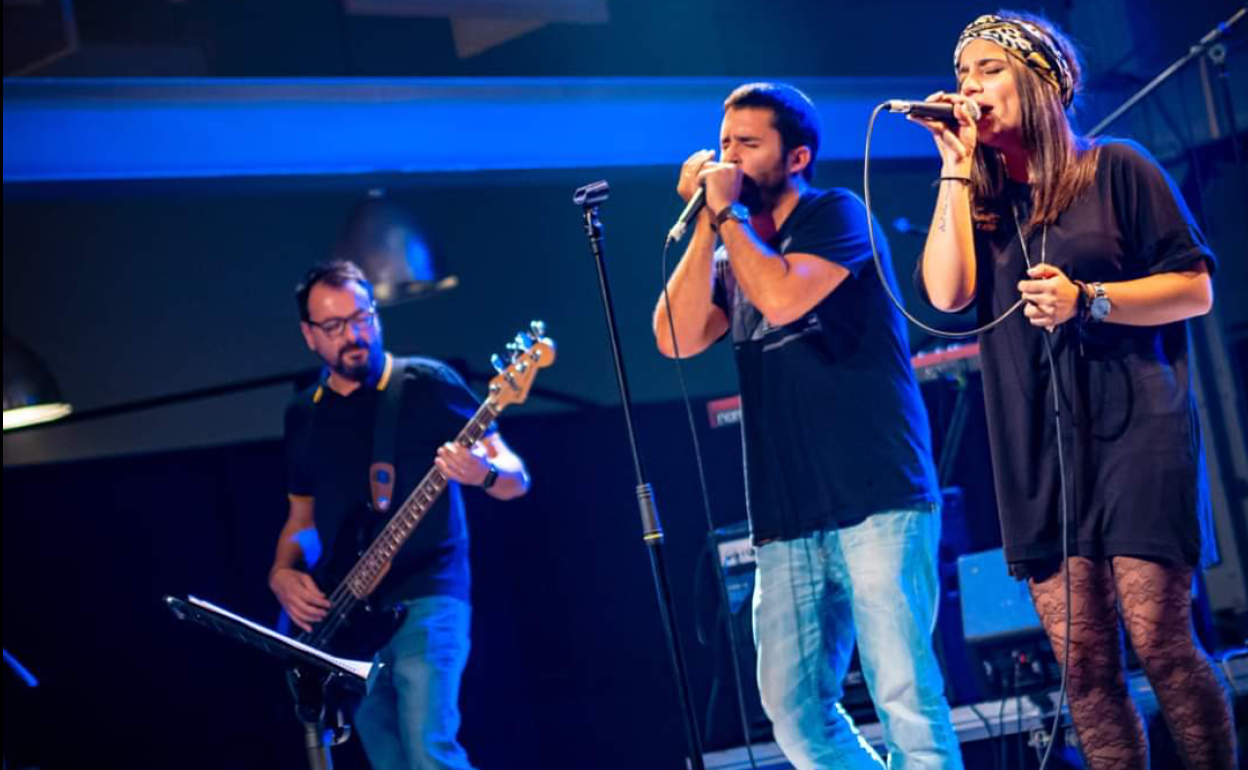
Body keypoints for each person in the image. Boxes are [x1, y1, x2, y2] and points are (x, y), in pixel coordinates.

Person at [913, 12, 1236, 769]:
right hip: (1035, 442)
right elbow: (947, 293)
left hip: (1137, 427)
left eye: (987, 69)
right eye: (962, 76)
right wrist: (953, 166)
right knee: (1085, 670)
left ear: (1041, 79)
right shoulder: (981, 200)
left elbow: (1195, 289)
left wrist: (1092, 297)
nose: (969, 87)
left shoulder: (1118, 167)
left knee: (1158, 640)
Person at [654, 82, 962, 769]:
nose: (727, 156)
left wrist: (726, 217)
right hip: (786, 513)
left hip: (878, 494)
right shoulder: (731, 236)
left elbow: (785, 297)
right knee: (794, 713)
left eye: (747, 145)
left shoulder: (835, 214)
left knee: (904, 696)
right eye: (724, 141)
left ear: (795, 157)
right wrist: (710, 223)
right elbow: (673, 336)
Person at [269, 260, 530, 770]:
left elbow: (515, 476)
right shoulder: (304, 414)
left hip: (429, 595)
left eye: (362, 317)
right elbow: (300, 521)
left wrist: (483, 474)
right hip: (347, 616)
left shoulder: (426, 383)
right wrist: (282, 573)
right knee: (390, 763)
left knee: (430, 750)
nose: (354, 334)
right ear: (309, 335)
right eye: (334, 326)